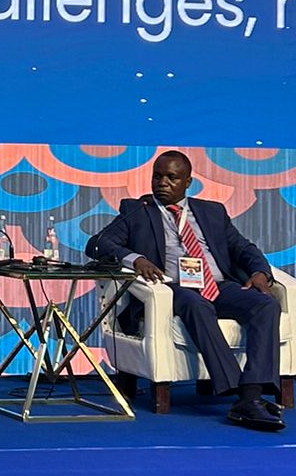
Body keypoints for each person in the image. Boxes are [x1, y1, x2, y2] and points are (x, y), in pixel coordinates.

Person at [86, 150, 283, 432]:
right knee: (195, 302)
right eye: (157, 176)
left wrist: (260, 272)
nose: (162, 183)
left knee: (265, 304)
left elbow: (243, 248)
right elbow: (98, 244)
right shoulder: (138, 210)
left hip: (218, 285)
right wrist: (136, 259)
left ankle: (252, 392)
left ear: (188, 182)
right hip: (173, 288)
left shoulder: (212, 212)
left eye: (171, 177)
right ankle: (242, 395)